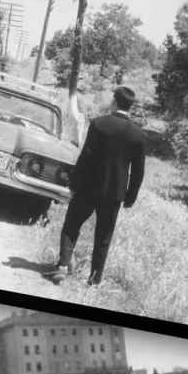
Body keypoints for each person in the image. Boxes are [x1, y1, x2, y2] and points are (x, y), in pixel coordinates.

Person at [46, 86, 145, 285]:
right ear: (130, 107)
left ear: (115, 102)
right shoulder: (137, 134)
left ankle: (63, 266)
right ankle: (94, 281)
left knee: (71, 225)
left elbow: (86, 157)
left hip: (88, 188)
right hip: (114, 194)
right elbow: (138, 171)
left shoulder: (99, 124)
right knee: (103, 237)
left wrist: (74, 183)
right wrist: (130, 196)